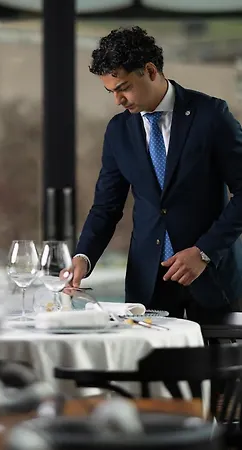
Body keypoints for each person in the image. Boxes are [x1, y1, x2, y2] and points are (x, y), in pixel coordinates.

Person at [71, 26, 242, 324]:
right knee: (150, 357)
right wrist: (83, 257)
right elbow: (106, 207)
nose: (118, 100)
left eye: (123, 88)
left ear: (150, 71)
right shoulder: (118, 131)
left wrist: (204, 251)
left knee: (218, 356)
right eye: (111, 92)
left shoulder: (212, 115)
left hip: (212, 278)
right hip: (147, 284)